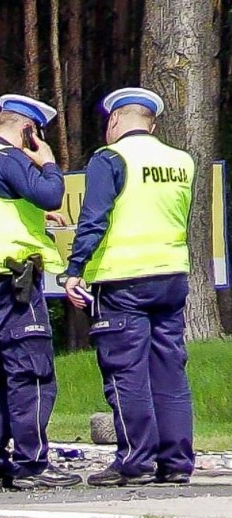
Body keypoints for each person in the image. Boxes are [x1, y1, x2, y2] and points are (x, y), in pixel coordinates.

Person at [59, 87, 195, 487]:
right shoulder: (180, 161)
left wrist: (74, 269)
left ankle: (135, 461)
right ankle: (176, 462)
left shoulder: (110, 159)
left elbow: (94, 217)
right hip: (171, 276)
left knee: (126, 372)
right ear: (152, 124)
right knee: (169, 372)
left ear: (114, 121)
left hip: (123, 281)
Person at [0, 94, 82, 490]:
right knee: (32, 371)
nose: (38, 143)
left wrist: (34, 216)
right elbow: (49, 193)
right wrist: (47, 163)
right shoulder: (7, 158)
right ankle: (33, 465)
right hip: (15, 281)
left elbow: (0, 204)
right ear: (28, 131)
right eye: (37, 136)